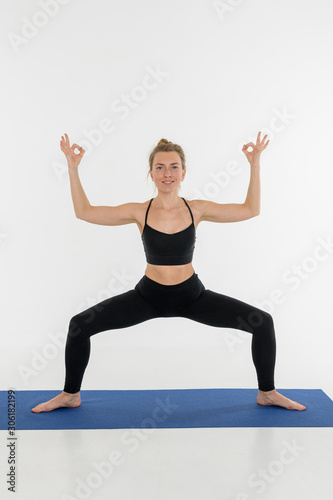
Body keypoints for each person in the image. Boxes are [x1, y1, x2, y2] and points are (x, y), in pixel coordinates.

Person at [31, 132, 306, 413]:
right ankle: (70, 394)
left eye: (174, 167)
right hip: (148, 296)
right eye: (160, 167)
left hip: (192, 296)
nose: (167, 173)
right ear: (151, 173)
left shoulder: (196, 209)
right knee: (79, 325)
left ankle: (267, 392)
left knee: (262, 322)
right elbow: (85, 212)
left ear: (183, 172)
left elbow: (250, 209)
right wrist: (73, 168)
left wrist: (254, 164)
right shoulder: (140, 211)